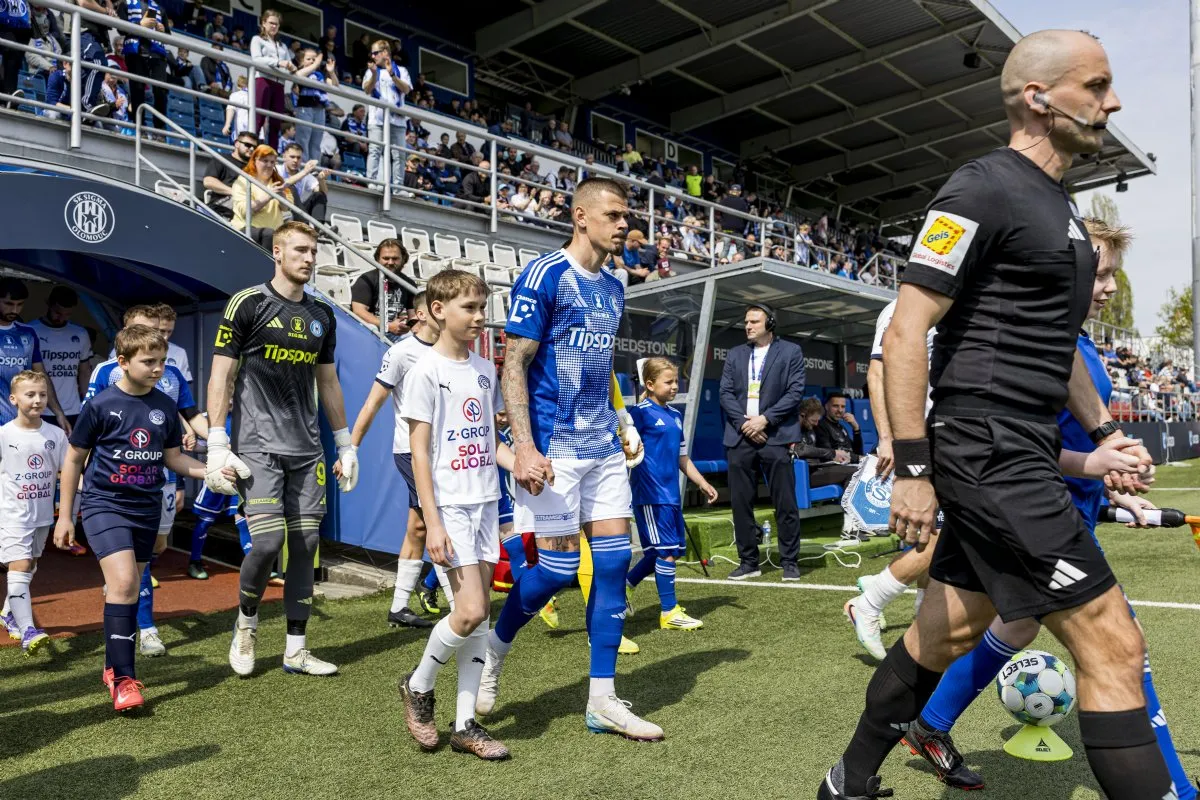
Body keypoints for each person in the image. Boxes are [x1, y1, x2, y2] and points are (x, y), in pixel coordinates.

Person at [817, 30, 1168, 800]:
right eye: (1096, 86)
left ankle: (847, 781)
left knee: (948, 629)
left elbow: (1060, 346)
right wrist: (913, 469)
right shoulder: (979, 188)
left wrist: (1106, 432)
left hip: (1022, 449)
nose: (1113, 103)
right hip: (989, 450)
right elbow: (906, 331)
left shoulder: (1062, 208)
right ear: (1038, 98)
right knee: (1113, 644)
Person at [900, 218, 1198, 800]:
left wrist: (1112, 483)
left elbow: (1071, 441)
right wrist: (1095, 466)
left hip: (1061, 513)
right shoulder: (1043, 348)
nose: (1109, 287)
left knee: (1010, 623)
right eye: (1101, 274)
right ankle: (1178, 792)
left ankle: (925, 726)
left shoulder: (1076, 344)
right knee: (1122, 646)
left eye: (1112, 275)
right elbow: (1024, 445)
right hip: (1035, 518)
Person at [474, 177, 661, 740]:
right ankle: (494, 648)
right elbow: (514, 363)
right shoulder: (544, 274)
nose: (625, 225)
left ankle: (602, 699)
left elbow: (604, 363)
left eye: (627, 216)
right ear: (581, 217)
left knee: (613, 566)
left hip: (602, 448)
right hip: (553, 448)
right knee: (555, 572)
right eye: (614, 215)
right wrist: (524, 448)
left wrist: (623, 420)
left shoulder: (616, 285)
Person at [205, 220, 358, 679]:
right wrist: (217, 442)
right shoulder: (248, 303)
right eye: (299, 250)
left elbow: (327, 381)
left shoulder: (322, 314)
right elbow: (221, 375)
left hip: (307, 449)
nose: (308, 258)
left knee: (307, 543)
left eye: (313, 251)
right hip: (258, 446)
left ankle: (296, 649)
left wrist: (345, 443)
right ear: (277, 252)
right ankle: (246, 623)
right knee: (269, 542)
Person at [54, 325, 234, 712]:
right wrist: (65, 515)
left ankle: (112, 667)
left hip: (147, 508)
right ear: (123, 362)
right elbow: (73, 459)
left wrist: (211, 472)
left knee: (131, 588)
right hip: (104, 504)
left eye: (162, 361)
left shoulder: (165, 407)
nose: (157, 369)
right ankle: (124, 679)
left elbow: (174, 458)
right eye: (148, 361)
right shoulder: (100, 405)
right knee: (122, 583)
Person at [397, 270, 514, 760]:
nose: (479, 317)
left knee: (480, 618)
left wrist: (521, 465)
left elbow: (489, 442)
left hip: (486, 502)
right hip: (450, 507)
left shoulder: (486, 370)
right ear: (437, 310)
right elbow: (419, 454)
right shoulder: (425, 370)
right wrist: (434, 522)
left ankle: (465, 725)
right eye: (469, 307)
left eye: (482, 307)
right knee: (469, 611)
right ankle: (418, 684)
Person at [86, 304, 208, 658]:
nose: (153, 337)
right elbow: (93, 430)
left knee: (158, 547)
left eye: (158, 331)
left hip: (162, 475)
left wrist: (217, 444)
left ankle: (121, 588)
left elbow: (187, 415)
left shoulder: (171, 372)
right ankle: (146, 626)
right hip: (116, 483)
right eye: (143, 330)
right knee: (130, 569)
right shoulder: (106, 372)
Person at [348, 290, 445, 629]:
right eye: (437, 308)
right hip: (412, 451)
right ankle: (462, 606)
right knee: (440, 521)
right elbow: (373, 403)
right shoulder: (401, 352)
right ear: (421, 314)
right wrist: (351, 448)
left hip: (447, 451)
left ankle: (399, 607)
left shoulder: (453, 349)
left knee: (418, 526)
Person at [624, 358, 717, 630]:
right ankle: (669, 612)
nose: (675, 386)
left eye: (677, 381)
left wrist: (702, 483)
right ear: (650, 384)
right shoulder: (638, 413)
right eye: (669, 382)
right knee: (664, 552)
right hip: (650, 495)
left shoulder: (675, 416)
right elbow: (623, 446)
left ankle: (625, 586)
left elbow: (682, 457)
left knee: (666, 552)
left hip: (671, 495)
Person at [719, 303, 806, 581]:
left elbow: (795, 392)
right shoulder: (735, 354)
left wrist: (765, 420)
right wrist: (746, 425)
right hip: (740, 436)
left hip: (776, 435)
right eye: (746, 322)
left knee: (785, 501)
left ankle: (789, 561)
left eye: (754, 321)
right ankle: (748, 562)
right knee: (741, 502)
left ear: (770, 324)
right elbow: (725, 394)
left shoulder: (790, 351)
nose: (748, 326)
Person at [0, 372, 68, 654]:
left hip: (42, 515)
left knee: (31, 566)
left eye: (42, 394)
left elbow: (68, 473)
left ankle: (8, 613)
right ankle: (28, 630)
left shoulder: (56, 434)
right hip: (11, 514)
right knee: (20, 565)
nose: (38, 400)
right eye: (30, 395)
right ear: (13, 399)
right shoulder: (4, 434)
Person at [0, 278, 70, 430]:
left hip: (21, 424)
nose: (15, 310)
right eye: (8, 304)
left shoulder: (27, 333)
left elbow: (40, 375)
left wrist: (58, 412)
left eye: (20, 304)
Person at [29, 286, 93, 428]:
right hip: (40, 408)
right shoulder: (30, 330)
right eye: (57, 313)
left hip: (73, 409)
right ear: (49, 304)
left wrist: (88, 402)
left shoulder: (80, 333)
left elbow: (84, 372)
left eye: (67, 314)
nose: (61, 318)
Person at [363, 40, 411, 188]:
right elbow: (367, 90)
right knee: (375, 150)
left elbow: (406, 89)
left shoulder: (401, 70)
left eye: (375, 53)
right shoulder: (371, 71)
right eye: (371, 53)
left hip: (397, 120)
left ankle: (397, 187)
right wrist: (373, 74)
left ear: (385, 53)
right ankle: (372, 181)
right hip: (377, 119)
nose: (372, 56)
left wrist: (392, 75)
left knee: (399, 155)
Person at [231, 144, 299, 248]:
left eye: (272, 162)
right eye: (265, 161)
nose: (269, 165)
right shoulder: (244, 181)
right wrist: (269, 195)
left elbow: (287, 208)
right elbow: (245, 211)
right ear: (255, 161)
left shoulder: (278, 182)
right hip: (246, 229)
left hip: (273, 233)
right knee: (269, 234)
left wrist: (281, 197)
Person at [249, 10, 294, 156]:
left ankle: (271, 154)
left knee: (276, 122)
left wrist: (291, 67)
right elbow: (256, 59)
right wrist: (278, 62)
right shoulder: (257, 39)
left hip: (279, 85)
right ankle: (251, 150)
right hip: (263, 80)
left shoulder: (282, 46)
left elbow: (289, 65)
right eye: (271, 23)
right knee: (258, 119)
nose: (274, 26)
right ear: (263, 23)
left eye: (277, 24)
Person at [349, 239, 412, 340]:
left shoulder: (408, 284)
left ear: (403, 259)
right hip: (367, 330)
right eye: (386, 258)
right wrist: (387, 326)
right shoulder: (366, 280)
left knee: (413, 337)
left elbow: (413, 315)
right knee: (372, 329)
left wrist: (407, 326)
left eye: (395, 258)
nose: (390, 262)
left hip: (393, 331)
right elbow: (359, 311)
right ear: (378, 259)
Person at [792, 398, 857, 487]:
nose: (816, 424)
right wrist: (833, 453)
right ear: (803, 415)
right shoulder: (792, 430)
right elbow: (800, 449)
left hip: (817, 468)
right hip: (804, 474)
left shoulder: (810, 429)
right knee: (854, 472)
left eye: (818, 421)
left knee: (856, 470)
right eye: (813, 420)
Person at [293, 48, 339, 165]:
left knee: (316, 141)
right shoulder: (301, 71)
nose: (313, 61)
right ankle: (302, 165)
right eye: (309, 59)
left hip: (319, 110)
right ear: (301, 61)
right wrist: (316, 64)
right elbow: (298, 76)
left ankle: (314, 167)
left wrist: (331, 72)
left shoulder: (320, 75)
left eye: (314, 59)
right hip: (305, 108)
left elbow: (335, 85)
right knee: (303, 139)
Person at [204, 131, 257, 219]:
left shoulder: (255, 168)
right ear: (237, 144)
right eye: (247, 145)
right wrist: (235, 192)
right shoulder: (222, 159)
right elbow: (208, 181)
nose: (252, 149)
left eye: (255, 147)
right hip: (223, 206)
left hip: (247, 207)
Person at [279, 143, 329, 225]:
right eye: (292, 157)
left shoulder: (305, 175)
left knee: (319, 195)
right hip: (281, 209)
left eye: (298, 158)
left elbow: (324, 193)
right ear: (284, 156)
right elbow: (284, 184)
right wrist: (305, 172)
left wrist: (321, 180)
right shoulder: (277, 169)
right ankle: (305, 225)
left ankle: (318, 227)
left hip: (299, 211)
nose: (295, 160)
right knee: (290, 187)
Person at [814, 393, 863, 464]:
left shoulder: (842, 428)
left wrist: (856, 428)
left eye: (843, 406)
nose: (840, 410)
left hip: (850, 465)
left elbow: (858, 452)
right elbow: (829, 455)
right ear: (826, 407)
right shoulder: (820, 426)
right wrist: (859, 458)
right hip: (834, 467)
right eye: (835, 406)